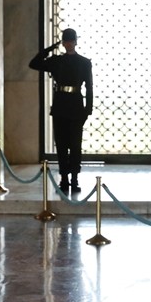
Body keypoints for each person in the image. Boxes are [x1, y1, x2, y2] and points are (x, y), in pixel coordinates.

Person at [29, 27, 92, 192]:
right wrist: (50, 48)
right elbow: (33, 64)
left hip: (77, 106)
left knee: (75, 145)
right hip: (60, 106)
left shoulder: (84, 62)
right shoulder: (56, 61)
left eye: (71, 41)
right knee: (62, 144)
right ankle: (64, 178)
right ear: (63, 42)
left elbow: (89, 88)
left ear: (75, 42)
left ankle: (75, 178)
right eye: (66, 41)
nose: (69, 44)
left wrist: (88, 110)